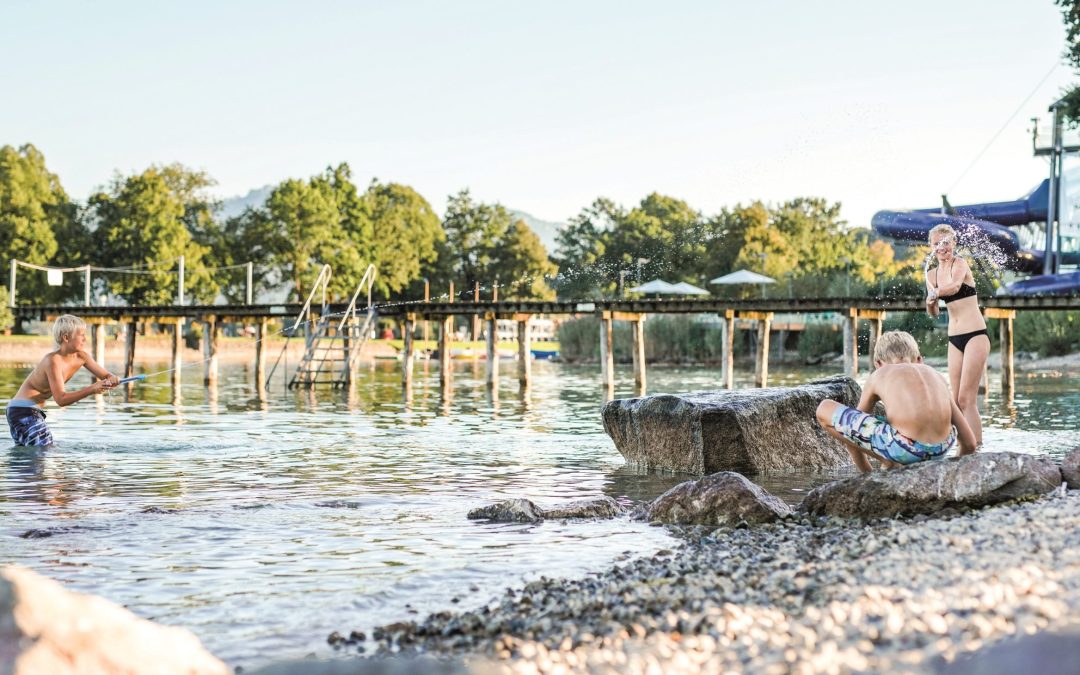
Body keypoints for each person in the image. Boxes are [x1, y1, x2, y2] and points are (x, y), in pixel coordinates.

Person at [816, 330, 977, 472]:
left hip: (904, 449)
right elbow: (969, 443)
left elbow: (853, 434)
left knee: (824, 408)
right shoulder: (936, 375)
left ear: (878, 363)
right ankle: (898, 459)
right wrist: (951, 473)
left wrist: (867, 475)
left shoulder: (880, 374)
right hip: (940, 449)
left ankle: (890, 462)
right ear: (919, 359)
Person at [5, 315, 118, 446]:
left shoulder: (83, 357)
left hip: (27, 411)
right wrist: (92, 389)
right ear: (66, 337)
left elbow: (106, 375)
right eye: (81, 335)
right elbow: (61, 399)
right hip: (23, 411)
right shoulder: (53, 361)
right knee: (44, 449)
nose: (85, 339)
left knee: (31, 458)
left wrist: (113, 379)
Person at [924, 223, 989, 446]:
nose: (942, 247)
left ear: (954, 243)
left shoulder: (960, 264)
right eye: (937, 244)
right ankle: (963, 447)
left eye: (946, 242)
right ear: (931, 247)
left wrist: (937, 292)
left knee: (966, 399)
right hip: (955, 339)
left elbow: (952, 287)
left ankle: (976, 448)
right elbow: (933, 312)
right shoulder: (931, 274)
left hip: (975, 336)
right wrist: (930, 302)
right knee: (955, 400)